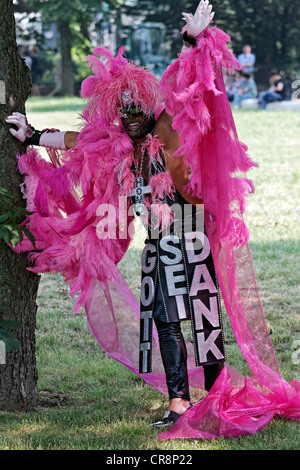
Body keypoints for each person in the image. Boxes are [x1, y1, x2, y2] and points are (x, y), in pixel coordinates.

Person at [5, 1, 300, 440]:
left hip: (194, 232)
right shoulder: (117, 139)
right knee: (162, 316)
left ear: (149, 107)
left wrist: (193, 41)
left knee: (202, 316)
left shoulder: (169, 131)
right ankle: (179, 401)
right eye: (122, 113)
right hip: (158, 241)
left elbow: (193, 89)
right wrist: (31, 135)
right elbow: (77, 141)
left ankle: (216, 393)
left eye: (136, 110)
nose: (129, 119)